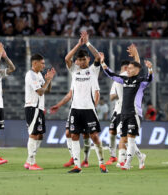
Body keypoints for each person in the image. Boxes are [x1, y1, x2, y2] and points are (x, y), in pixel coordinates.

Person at [102, 50, 153, 170]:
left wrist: (150, 69)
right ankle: (140, 157)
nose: (128, 70)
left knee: (130, 138)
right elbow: (112, 75)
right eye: (127, 68)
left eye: (130, 68)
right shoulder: (124, 80)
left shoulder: (140, 82)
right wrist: (102, 62)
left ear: (137, 70)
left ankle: (128, 163)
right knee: (124, 139)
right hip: (123, 113)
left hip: (134, 113)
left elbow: (150, 79)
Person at [65, 31, 107, 173]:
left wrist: (87, 42)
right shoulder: (74, 70)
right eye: (80, 59)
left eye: (84, 59)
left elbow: (97, 56)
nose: (82, 62)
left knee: (94, 136)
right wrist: (78, 44)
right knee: (74, 135)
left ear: (88, 59)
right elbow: (67, 58)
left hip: (89, 109)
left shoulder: (93, 70)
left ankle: (102, 163)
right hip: (75, 109)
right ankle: (77, 165)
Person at [50, 77, 100, 168]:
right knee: (68, 133)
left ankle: (85, 160)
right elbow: (70, 94)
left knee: (86, 135)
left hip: (87, 110)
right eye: (77, 61)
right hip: (74, 110)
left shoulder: (91, 76)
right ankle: (73, 157)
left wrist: (93, 108)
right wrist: (58, 105)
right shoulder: (75, 76)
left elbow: (97, 93)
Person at [24, 54, 56, 170]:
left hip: (39, 108)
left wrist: (49, 80)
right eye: (42, 63)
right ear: (35, 63)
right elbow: (40, 92)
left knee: (40, 135)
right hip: (32, 107)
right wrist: (47, 81)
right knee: (33, 134)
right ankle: (32, 163)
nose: (44, 65)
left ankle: (29, 160)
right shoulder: (31, 75)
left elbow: (47, 90)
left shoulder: (39, 75)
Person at [105, 60, 128, 166]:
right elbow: (111, 97)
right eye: (124, 68)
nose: (126, 71)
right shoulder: (117, 81)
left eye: (128, 68)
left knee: (124, 135)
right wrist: (120, 93)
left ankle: (125, 157)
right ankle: (113, 156)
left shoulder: (131, 80)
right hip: (117, 109)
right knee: (111, 132)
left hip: (126, 110)